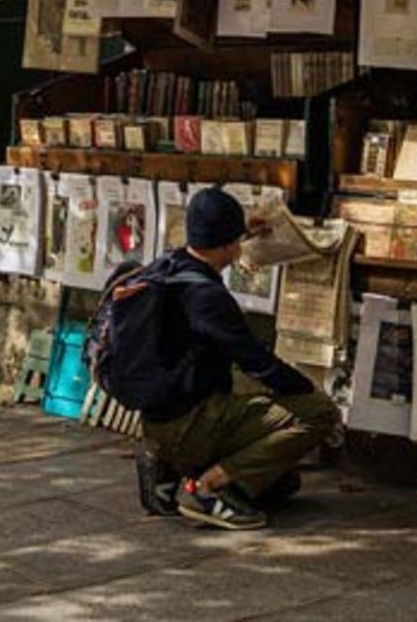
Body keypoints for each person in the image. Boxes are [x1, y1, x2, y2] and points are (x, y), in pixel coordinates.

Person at [119, 186, 340, 530]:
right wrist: (307, 390)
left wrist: (243, 229)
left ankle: (164, 465)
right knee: (320, 413)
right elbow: (257, 363)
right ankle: (210, 487)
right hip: (193, 422)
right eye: (237, 239)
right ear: (229, 245)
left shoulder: (170, 265)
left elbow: (214, 239)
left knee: (283, 483)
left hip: (157, 419)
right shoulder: (207, 297)